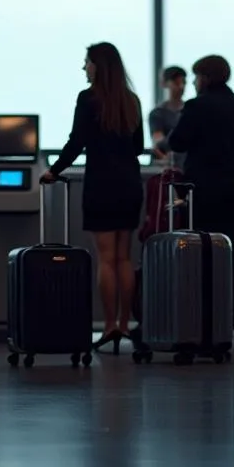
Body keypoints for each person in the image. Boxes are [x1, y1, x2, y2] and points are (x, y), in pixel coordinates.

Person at [41, 42, 144, 352]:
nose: (84, 68)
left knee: (106, 259)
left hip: (100, 184)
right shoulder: (132, 100)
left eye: (86, 62)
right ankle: (127, 325)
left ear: (98, 66)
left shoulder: (88, 100)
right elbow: (138, 146)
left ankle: (109, 325)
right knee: (125, 257)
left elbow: (77, 142)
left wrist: (54, 170)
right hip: (128, 183)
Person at [167, 55, 234, 349]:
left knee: (203, 254)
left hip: (204, 190)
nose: (193, 83)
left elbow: (176, 142)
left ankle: (206, 321)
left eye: (195, 77)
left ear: (204, 78)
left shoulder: (196, 106)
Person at [148, 65, 186, 159]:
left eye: (184, 83)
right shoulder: (157, 113)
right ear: (165, 84)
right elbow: (158, 142)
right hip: (166, 163)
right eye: (176, 83)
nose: (181, 87)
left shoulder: (189, 110)